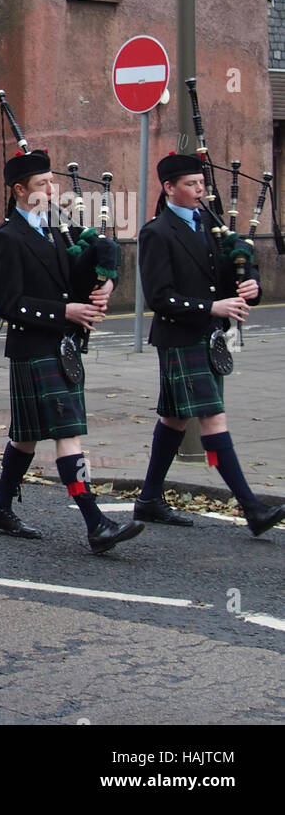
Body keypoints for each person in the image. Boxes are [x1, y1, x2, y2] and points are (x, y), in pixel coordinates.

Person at [0, 149, 143, 553]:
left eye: (53, 182)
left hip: (61, 346)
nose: (52, 190)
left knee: (26, 438)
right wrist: (64, 311)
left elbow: (76, 274)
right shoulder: (7, 237)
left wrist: (104, 283)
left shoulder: (57, 229)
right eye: (42, 185)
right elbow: (8, 303)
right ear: (20, 191)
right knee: (67, 435)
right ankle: (95, 522)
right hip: (33, 347)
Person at [132, 153, 285, 536]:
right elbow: (159, 296)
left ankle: (149, 499)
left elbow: (234, 265)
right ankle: (252, 508)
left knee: (174, 418)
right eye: (191, 184)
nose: (200, 190)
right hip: (181, 336)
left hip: (208, 337)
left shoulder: (210, 223)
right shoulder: (156, 232)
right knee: (213, 419)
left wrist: (251, 284)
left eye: (202, 184)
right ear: (169, 188)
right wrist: (211, 306)